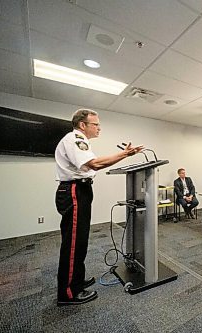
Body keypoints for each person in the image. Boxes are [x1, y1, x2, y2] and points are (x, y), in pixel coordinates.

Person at [55, 109, 144, 306]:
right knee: (73, 244)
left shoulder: (81, 141)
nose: (99, 128)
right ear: (82, 125)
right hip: (74, 192)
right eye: (95, 124)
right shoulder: (75, 139)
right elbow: (95, 164)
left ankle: (76, 281)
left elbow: (92, 164)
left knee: (80, 241)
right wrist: (125, 154)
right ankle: (68, 293)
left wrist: (124, 155)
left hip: (81, 191)